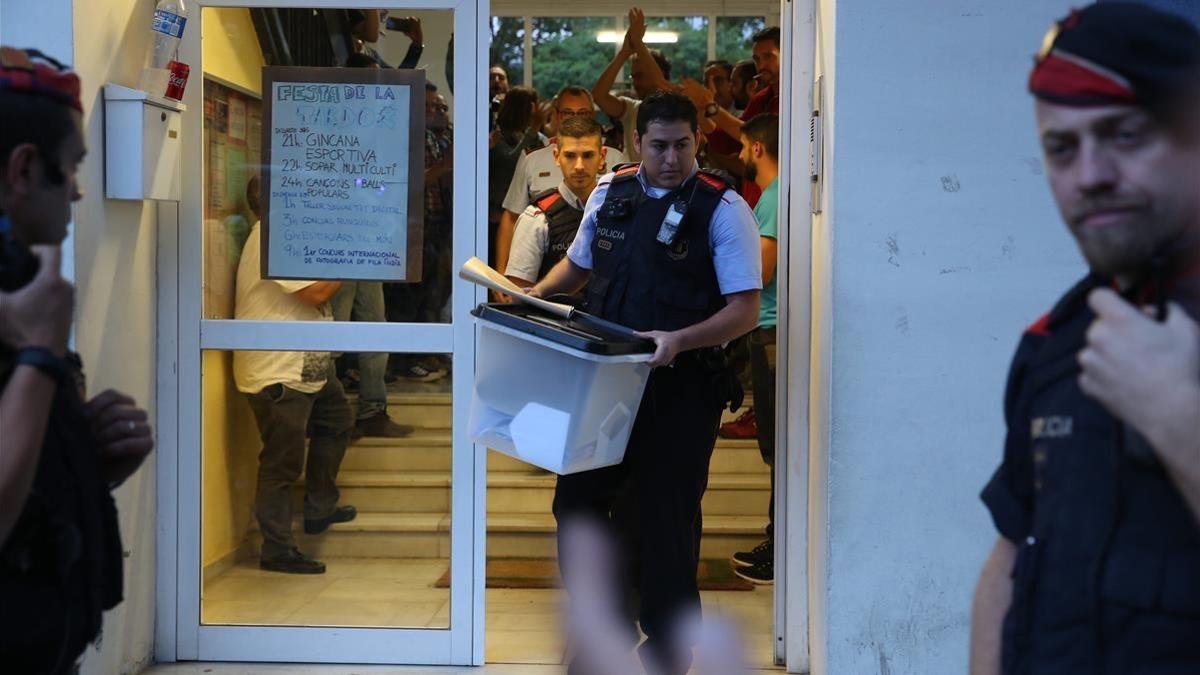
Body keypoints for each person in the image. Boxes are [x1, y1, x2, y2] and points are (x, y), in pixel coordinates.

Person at [969, 5, 1200, 674]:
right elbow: (1014, 552)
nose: (1089, 174)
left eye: (1123, 134)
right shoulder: (1056, 340)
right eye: (1061, 148)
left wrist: (1179, 417)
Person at [530, 90, 762, 675]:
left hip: (681, 387)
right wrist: (535, 293)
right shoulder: (611, 192)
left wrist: (681, 340)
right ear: (637, 143)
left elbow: (745, 309)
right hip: (605, 382)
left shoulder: (723, 207)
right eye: (658, 145)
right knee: (577, 505)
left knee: (663, 519)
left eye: (682, 145)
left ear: (697, 142)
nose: (670, 157)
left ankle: (666, 644)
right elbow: (580, 266)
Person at [0, 46, 154, 673]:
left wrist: (88, 464)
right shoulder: (32, 316)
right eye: (72, 169)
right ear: (25, 169)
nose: (80, 191)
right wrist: (38, 357)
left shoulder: (22, 288)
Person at [234, 181, 357, 575]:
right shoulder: (275, 237)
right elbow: (317, 293)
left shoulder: (291, 235)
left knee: (337, 421)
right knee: (282, 463)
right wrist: (355, 255)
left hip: (308, 365)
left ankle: (320, 506)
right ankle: (277, 548)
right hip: (279, 370)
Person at [327, 51, 412, 438]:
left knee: (375, 328)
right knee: (333, 333)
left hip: (371, 242)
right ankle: (326, 414)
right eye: (371, 82)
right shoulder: (331, 124)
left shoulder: (382, 128)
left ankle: (372, 411)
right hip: (335, 242)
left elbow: (387, 182)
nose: (378, 89)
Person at [494, 86, 627, 279]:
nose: (579, 166)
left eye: (582, 113)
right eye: (568, 112)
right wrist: (501, 272)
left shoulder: (615, 159)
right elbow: (512, 215)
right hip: (545, 265)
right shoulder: (533, 159)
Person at [729, 113, 780, 586]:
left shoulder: (773, 199)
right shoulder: (781, 196)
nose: (741, 155)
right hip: (770, 333)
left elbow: (761, 274)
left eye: (744, 147)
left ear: (757, 149)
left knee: (775, 447)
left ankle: (777, 548)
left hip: (770, 334)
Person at [682, 27, 781, 206]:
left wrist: (710, 107)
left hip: (777, 200)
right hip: (753, 198)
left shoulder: (793, 100)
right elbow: (727, 142)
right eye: (758, 59)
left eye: (769, 56)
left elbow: (756, 137)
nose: (762, 65)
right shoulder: (762, 98)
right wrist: (699, 108)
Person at [505, 116, 606, 287]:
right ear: (557, 157)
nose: (579, 166)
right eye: (570, 156)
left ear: (602, 157)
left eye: (588, 155)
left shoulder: (620, 211)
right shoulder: (536, 219)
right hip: (552, 313)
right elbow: (518, 294)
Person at [592, 7, 674, 163]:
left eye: (641, 76)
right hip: (637, 185)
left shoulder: (679, 105)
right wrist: (624, 52)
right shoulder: (632, 109)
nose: (636, 82)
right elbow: (599, 96)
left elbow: (661, 85)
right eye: (633, 76)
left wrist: (638, 43)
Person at [489, 86, 546, 260]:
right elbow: (512, 162)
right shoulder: (498, 136)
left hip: (527, 218)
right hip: (498, 218)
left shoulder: (535, 138)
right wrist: (533, 131)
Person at [347, 9, 423, 69]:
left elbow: (395, 79)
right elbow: (372, 36)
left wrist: (417, 43)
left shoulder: (370, 53)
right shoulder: (344, 12)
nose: (386, 11)